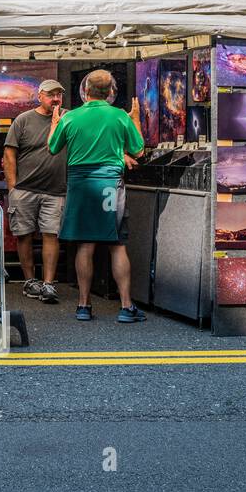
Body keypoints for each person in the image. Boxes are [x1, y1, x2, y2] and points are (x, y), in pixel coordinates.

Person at [47, 69, 147, 323]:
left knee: (85, 244)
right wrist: (135, 119)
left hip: (79, 186)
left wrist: (55, 124)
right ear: (111, 92)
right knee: (117, 244)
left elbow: (52, 147)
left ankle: (83, 305)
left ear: (85, 91)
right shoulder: (120, 117)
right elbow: (139, 150)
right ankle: (126, 307)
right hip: (110, 186)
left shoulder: (71, 118)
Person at [3, 78, 68, 304]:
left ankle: (48, 284)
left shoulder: (67, 119)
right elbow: (10, 153)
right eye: (51, 94)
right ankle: (30, 281)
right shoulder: (23, 120)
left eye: (59, 94)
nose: (56, 99)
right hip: (25, 189)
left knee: (52, 234)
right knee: (24, 235)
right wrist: (13, 187)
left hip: (56, 190)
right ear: (40, 96)